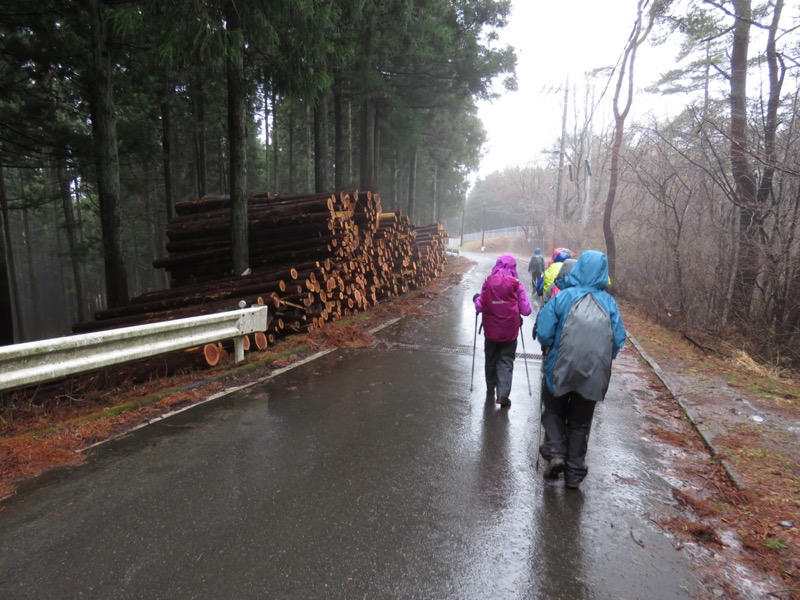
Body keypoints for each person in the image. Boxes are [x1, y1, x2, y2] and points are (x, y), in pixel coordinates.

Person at [535, 250, 626, 488]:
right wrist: (605, 358)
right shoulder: (610, 304)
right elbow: (617, 340)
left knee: (553, 410)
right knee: (580, 424)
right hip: (593, 375)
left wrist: (549, 344)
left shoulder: (563, 297)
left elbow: (544, 332)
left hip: (560, 368)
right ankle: (574, 475)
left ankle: (555, 452)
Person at [473, 254, 533, 409]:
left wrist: (476, 299)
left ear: (497, 265)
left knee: (491, 358)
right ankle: (503, 394)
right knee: (506, 360)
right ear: (514, 268)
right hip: (510, 332)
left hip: (491, 331)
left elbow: (480, 306)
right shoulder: (517, 285)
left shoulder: (488, 282)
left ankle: (490, 388)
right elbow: (526, 310)